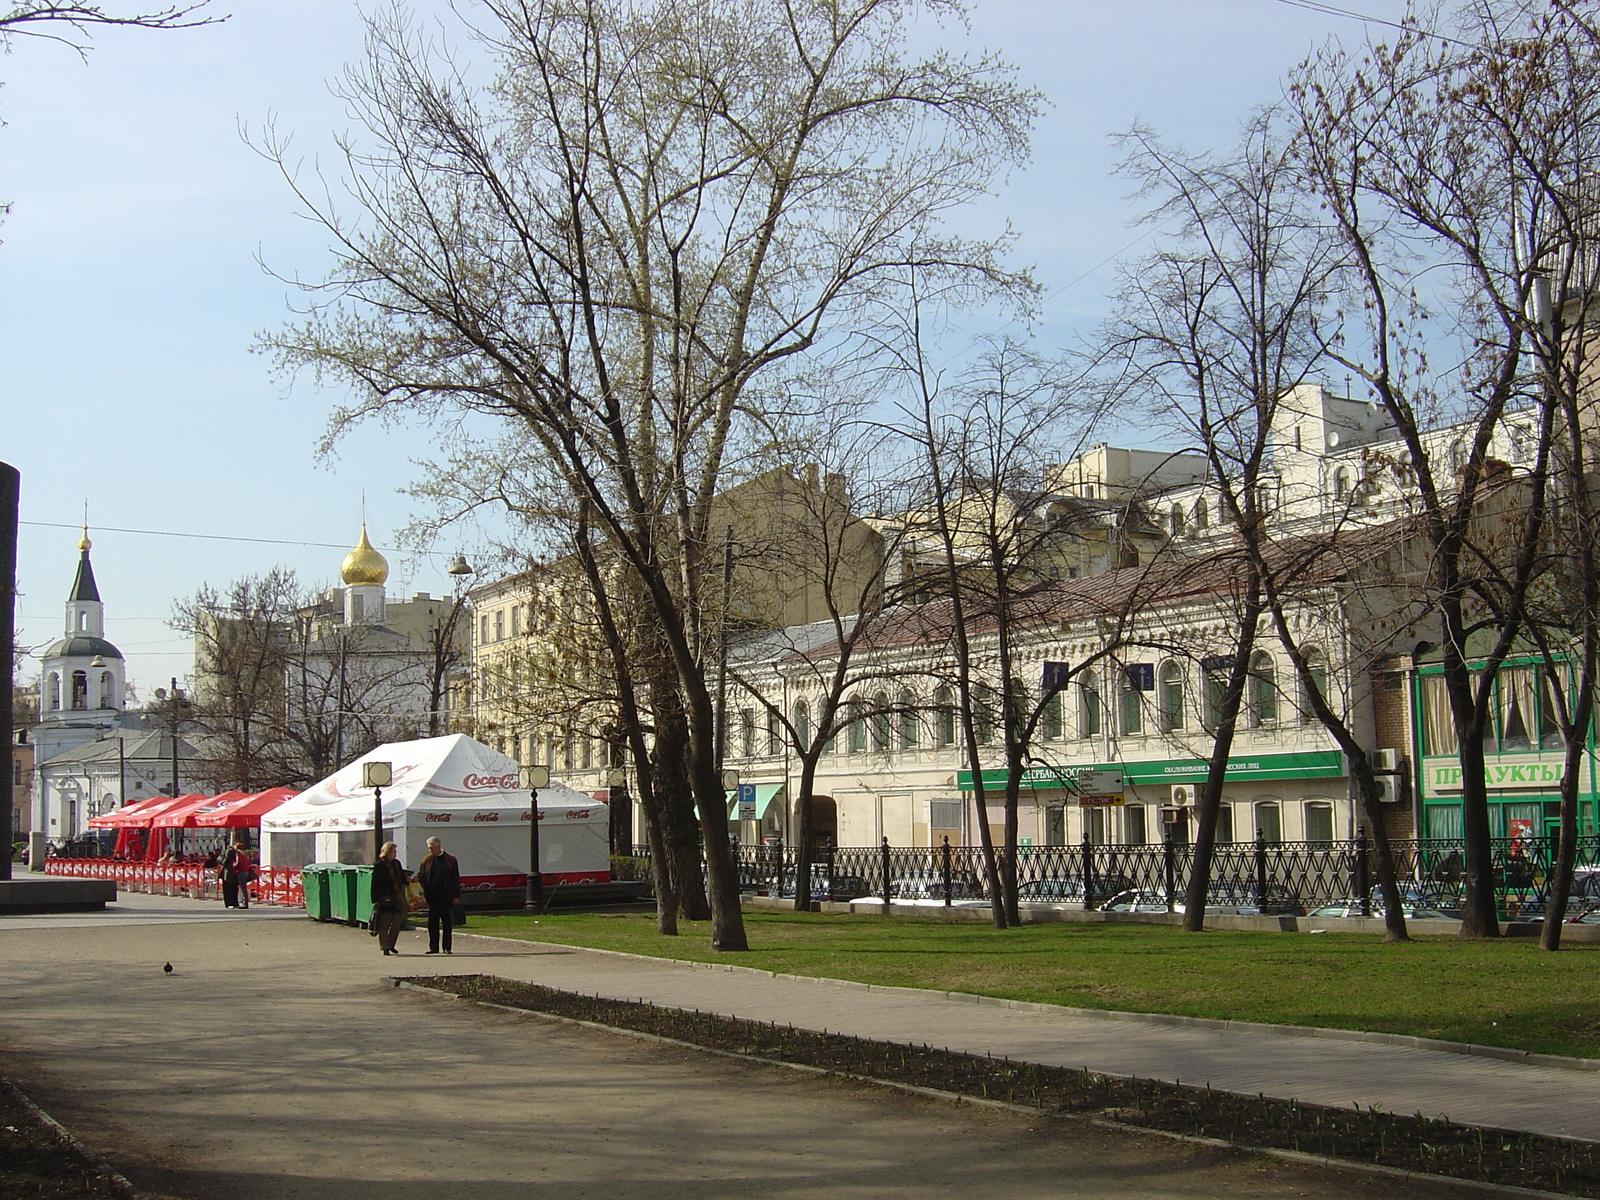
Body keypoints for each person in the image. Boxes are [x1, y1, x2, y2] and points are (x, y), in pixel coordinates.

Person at [415, 835, 461, 954]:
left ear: (438, 846)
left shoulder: (450, 859)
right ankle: (433, 947)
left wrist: (456, 895)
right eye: (429, 848)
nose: (429, 850)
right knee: (432, 924)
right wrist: (417, 879)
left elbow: (455, 878)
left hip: (446, 896)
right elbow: (422, 874)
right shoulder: (427, 860)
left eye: (431, 847)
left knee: (447, 923)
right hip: (432, 897)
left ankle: (447, 947)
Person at [371, 841, 408, 956]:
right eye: (394, 851)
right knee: (384, 923)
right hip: (384, 897)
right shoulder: (379, 865)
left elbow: (401, 878)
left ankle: (391, 944)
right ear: (388, 852)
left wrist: (408, 880)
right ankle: (384, 946)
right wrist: (375, 899)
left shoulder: (396, 864)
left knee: (396, 922)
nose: (395, 854)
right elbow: (375, 883)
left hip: (396, 897)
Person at [219, 840, 253, 909]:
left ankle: (243, 903)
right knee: (239, 888)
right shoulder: (244, 854)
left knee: (241, 889)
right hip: (243, 872)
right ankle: (239, 902)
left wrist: (234, 867)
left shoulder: (237, 854)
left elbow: (237, 862)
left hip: (238, 872)